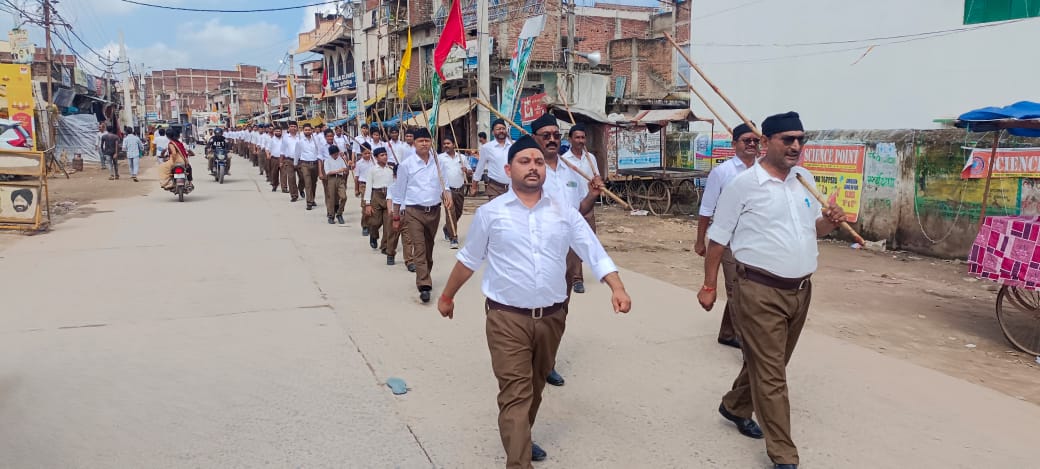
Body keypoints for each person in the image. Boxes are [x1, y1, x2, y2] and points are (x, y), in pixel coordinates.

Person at [437, 134, 631, 469]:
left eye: (539, 162)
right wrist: (447, 295)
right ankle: (519, 459)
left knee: (535, 388)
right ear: (509, 168)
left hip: (552, 318)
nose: (533, 167)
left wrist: (616, 285)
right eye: (525, 161)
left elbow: (591, 249)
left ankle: (522, 435)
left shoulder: (564, 212)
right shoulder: (490, 214)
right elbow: (469, 259)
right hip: (506, 318)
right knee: (515, 393)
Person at [698, 112, 846, 469]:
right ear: (766, 143)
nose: (796, 146)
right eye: (787, 139)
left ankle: (734, 405)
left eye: (800, 139)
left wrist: (830, 220)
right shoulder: (743, 185)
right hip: (759, 290)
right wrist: (708, 285)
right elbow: (717, 240)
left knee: (771, 363)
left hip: (800, 290)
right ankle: (783, 454)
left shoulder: (805, 180)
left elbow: (815, 231)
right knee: (773, 375)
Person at [530, 114, 603, 387]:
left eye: (555, 135)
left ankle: (548, 362)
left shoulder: (571, 168)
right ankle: (526, 357)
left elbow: (580, 211)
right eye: (545, 135)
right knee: (533, 308)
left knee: (559, 309)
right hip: (538, 249)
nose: (551, 139)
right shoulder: (530, 169)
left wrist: (593, 194)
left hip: (567, 249)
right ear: (535, 138)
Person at [695, 121, 759, 349]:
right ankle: (748, 345)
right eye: (746, 140)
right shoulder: (722, 173)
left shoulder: (761, 171)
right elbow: (706, 208)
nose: (751, 144)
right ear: (735, 144)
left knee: (745, 289)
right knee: (737, 290)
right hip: (727, 241)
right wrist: (700, 240)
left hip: (753, 240)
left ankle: (727, 332)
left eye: (755, 140)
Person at [390, 127, 452, 303]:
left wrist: (448, 195)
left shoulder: (438, 163)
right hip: (413, 211)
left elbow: (445, 185)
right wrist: (396, 216)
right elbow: (399, 193)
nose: (424, 144)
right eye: (420, 141)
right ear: (414, 144)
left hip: (434, 210)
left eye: (427, 140)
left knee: (428, 247)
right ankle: (424, 284)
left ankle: (425, 272)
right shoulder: (406, 165)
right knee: (419, 247)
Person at [560, 124, 602, 295]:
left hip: (588, 205)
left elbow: (596, 177)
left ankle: (572, 269)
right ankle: (577, 278)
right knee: (574, 243)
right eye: (577, 137)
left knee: (588, 240)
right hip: (572, 207)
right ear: (570, 139)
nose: (580, 141)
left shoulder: (590, 158)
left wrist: (598, 182)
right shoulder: (564, 160)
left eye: (582, 137)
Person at [364, 147, 396, 257]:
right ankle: (373, 235)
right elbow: (368, 186)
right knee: (375, 222)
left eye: (386, 154)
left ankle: (385, 246)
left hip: (388, 196)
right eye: (382, 155)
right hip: (376, 195)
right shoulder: (372, 170)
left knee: (388, 223)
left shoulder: (391, 169)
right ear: (376, 157)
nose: (385, 157)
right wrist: (367, 203)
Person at [439, 136, 469, 249]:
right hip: (447, 190)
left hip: (460, 188)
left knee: (458, 212)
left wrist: (467, 170)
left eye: (448, 143)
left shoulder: (462, 158)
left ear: (454, 145)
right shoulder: (440, 158)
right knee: (450, 212)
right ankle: (453, 237)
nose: (446, 145)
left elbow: (470, 171)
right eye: (444, 143)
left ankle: (447, 228)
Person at [471, 119, 512, 199]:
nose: (501, 131)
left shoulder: (513, 145)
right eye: (498, 129)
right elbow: (480, 167)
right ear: (493, 132)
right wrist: (474, 186)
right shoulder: (487, 148)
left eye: (503, 129)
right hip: (495, 189)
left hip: (513, 188)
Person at [295, 123, 325, 210]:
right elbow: (297, 153)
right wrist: (295, 163)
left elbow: (320, 152)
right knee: (307, 183)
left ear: (312, 130)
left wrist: (321, 164)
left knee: (313, 183)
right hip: (305, 164)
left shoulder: (316, 140)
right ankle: (309, 202)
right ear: (303, 131)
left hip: (315, 163)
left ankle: (312, 199)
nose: (307, 131)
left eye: (309, 130)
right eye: (306, 130)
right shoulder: (300, 141)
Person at [320, 144, 350, 224]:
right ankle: (331, 215)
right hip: (331, 179)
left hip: (340, 179)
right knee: (331, 198)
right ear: (330, 154)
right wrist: (338, 170)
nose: (336, 155)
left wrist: (347, 167)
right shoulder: (327, 160)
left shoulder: (341, 159)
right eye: (334, 154)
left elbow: (345, 170)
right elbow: (328, 172)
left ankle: (339, 213)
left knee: (344, 197)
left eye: (337, 153)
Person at [279, 121, 303, 201]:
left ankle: (301, 188)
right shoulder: (285, 137)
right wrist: (281, 161)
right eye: (291, 126)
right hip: (289, 160)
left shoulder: (301, 137)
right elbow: (282, 150)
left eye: (294, 126)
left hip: (300, 161)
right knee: (291, 178)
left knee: (303, 177)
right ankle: (294, 195)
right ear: (289, 128)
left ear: (297, 128)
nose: (293, 128)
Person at [355, 143, 375, 234]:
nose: (367, 155)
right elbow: (356, 177)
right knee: (365, 206)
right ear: (361, 154)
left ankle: (372, 224)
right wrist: (356, 189)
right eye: (365, 153)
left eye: (369, 153)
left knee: (374, 205)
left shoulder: (375, 162)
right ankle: (365, 225)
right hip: (363, 185)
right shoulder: (359, 164)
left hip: (374, 185)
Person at [266, 125, 284, 192]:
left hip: (283, 159)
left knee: (283, 174)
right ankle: (274, 185)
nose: (278, 132)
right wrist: (268, 155)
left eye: (279, 131)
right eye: (276, 131)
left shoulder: (284, 139)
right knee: (274, 173)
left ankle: (284, 187)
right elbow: (267, 149)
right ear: (274, 132)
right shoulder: (271, 140)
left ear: (281, 132)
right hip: (274, 158)